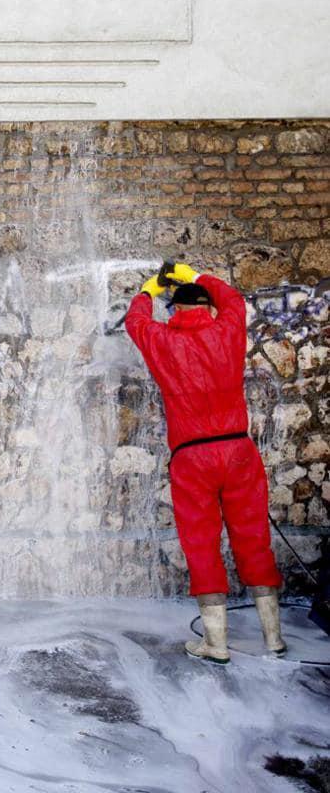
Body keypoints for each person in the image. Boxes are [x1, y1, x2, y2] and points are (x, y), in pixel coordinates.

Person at [125, 262, 285, 665]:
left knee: (201, 543)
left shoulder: (160, 339)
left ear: (175, 311)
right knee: (253, 535)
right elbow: (232, 300)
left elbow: (135, 320)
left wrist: (148, 290)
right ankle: (273, 637)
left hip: (192, 455)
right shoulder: (226, 330)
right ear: (206, 308)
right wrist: (194, 275)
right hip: (237, 450)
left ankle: (216, 644)